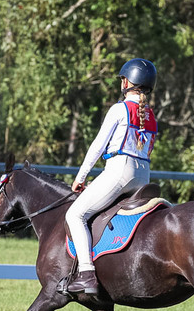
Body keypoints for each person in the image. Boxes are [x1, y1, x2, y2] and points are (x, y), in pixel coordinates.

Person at [65, 58, 158, 294]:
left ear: (128, 82)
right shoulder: (150, 115)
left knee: (75, 214)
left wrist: (81, 177)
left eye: (123, 79)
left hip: (120, 171)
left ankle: (86, 273)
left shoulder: (119, 109)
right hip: (143, 175)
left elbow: (98, 146)